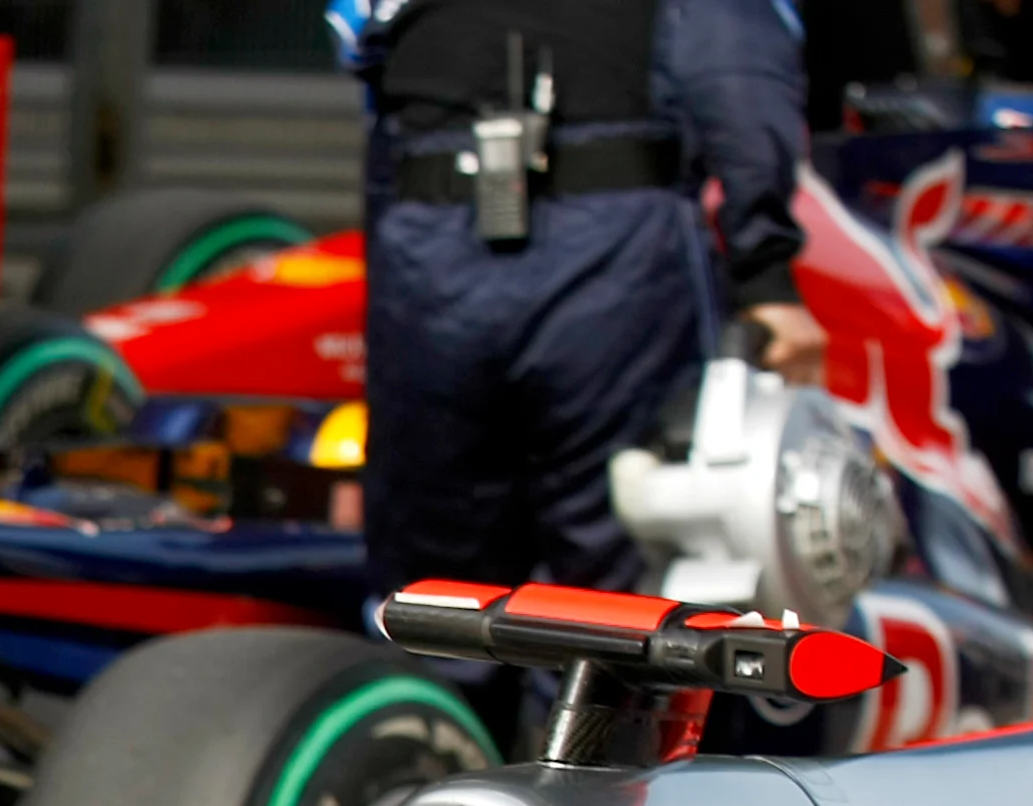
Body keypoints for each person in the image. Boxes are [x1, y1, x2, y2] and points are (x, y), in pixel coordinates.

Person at [338, 0, 831, 597]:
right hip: (611, 245)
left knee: (438, 576)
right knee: (612, 557)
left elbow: (377, 114)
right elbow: (739, 85)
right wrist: (766, 276)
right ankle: (579, 686)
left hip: (429, 248)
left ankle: (450, 689)